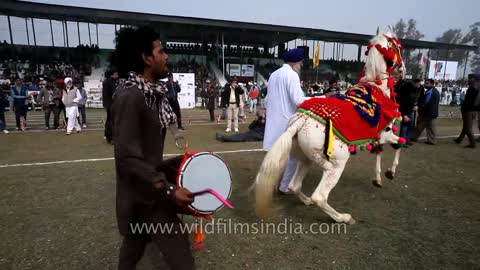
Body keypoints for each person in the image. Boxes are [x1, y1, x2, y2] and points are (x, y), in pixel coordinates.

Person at [110, 26, 194, 270]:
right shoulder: (131, 96)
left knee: (134, 243)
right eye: (161, 51)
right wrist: (168, 190)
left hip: (143, 192)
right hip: (146, 196)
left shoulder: (149, 94)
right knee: (180, 255)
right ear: (147, 58)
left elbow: (144, 156)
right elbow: (126, 157)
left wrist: (179, 163)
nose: (166, 56)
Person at [263, 48, 308, 194]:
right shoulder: (292, 75)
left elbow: (266, 100)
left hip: (272, 123)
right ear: (296, 62)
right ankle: (283, 186)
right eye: (301, 62)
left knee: (273, 157)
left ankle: (269, 185)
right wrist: (321, 99)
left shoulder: (274, 75)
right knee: (293, 158)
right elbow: (299, 100)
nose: (301, 64)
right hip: (286, 123)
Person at [454, 73, 480, 148]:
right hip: (473, 110)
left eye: (470, 78)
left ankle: (472, 143)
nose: (468, 79)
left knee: (468, 128)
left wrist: (464, 108)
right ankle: (459, 139)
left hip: (468, 110)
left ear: (474, 79)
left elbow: (468, 101)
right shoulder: (476, 88)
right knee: (466, 126)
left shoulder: (473, 88)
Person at [411, 79, 440, 145]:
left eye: (427, 83)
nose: (425, 85)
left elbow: (425, 102)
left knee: (420, 126)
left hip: (427, 113)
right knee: (430, 127)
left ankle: (414, 137)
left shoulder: (430, 92)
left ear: (432, 84)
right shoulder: (433, 91)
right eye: (425, 83)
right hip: (431, 113)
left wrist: (419, 107)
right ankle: (431, 140)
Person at [396, 79, 421, 146]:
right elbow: (402, 103)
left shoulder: (415, 90)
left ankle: (407, 139)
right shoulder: (406, 90)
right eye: (418, 83)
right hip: (405, 111)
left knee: (410, 125)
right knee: (405, 126)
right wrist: (404, 114)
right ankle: (402, 141)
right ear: (415, 83)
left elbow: (415, 100)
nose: (419, 85)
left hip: (411, 110)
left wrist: (416, 105)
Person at [102, 67, 118, 143]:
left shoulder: (106, 81)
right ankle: (111, 137)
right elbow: (114, 93)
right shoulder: (110, 82)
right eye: (116, 74)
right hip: (111, 104)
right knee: (112, 121)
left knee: (109, 120)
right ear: (112, 75)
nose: (117, 75)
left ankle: (108, 135)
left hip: (108, 103)